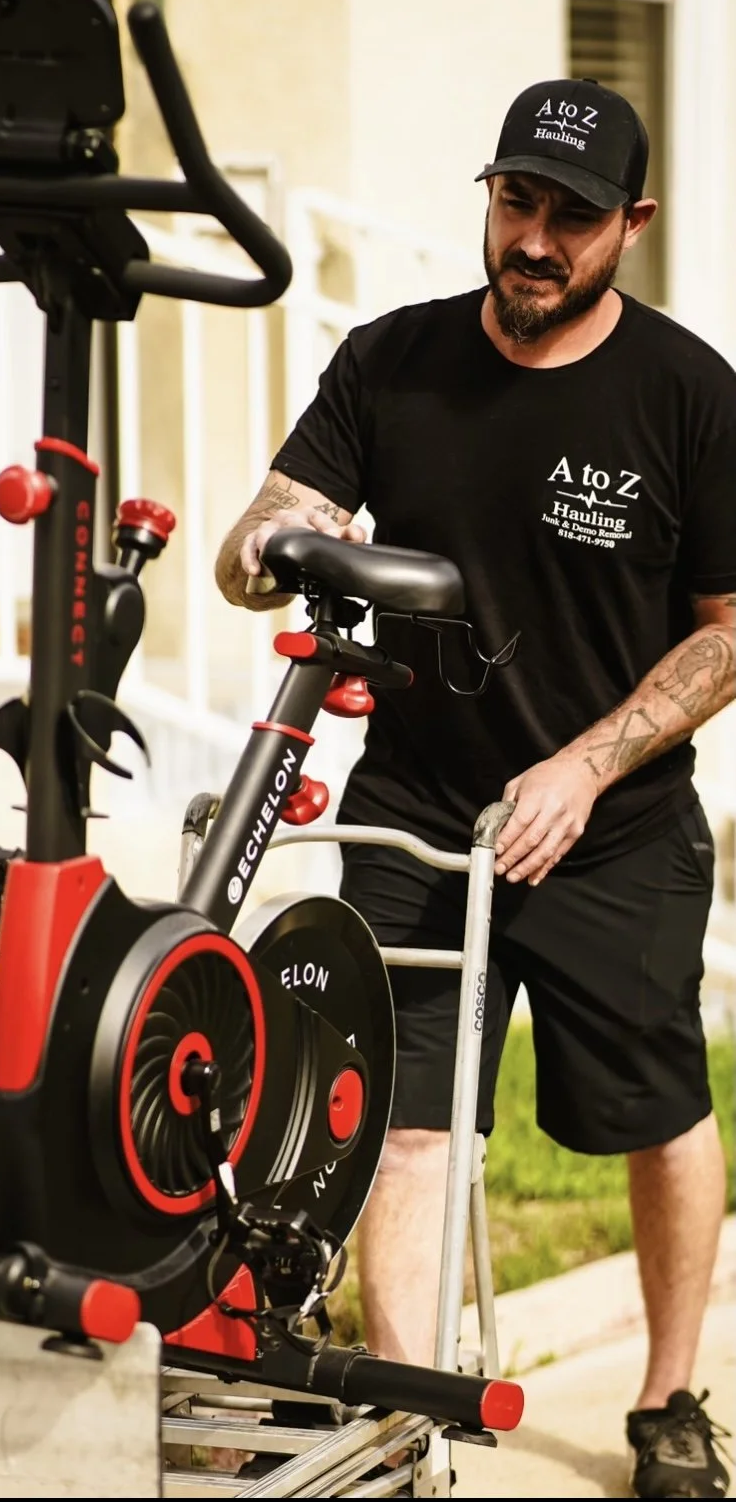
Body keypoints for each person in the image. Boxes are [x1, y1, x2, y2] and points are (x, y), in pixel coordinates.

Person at [215, 77, 735, 1499]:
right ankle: (408, 1419)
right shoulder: (394, 363)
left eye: (571, 216)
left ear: (629, 224)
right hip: (421, 801)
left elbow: (728, 626)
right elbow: (268, 521)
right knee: (407, 1117)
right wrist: (276, 537)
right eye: (516, 202)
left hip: (608, 818)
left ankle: (669, 1395)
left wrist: (584, 761)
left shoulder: (687, 395)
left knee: (653, 1106)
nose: (535, 239)